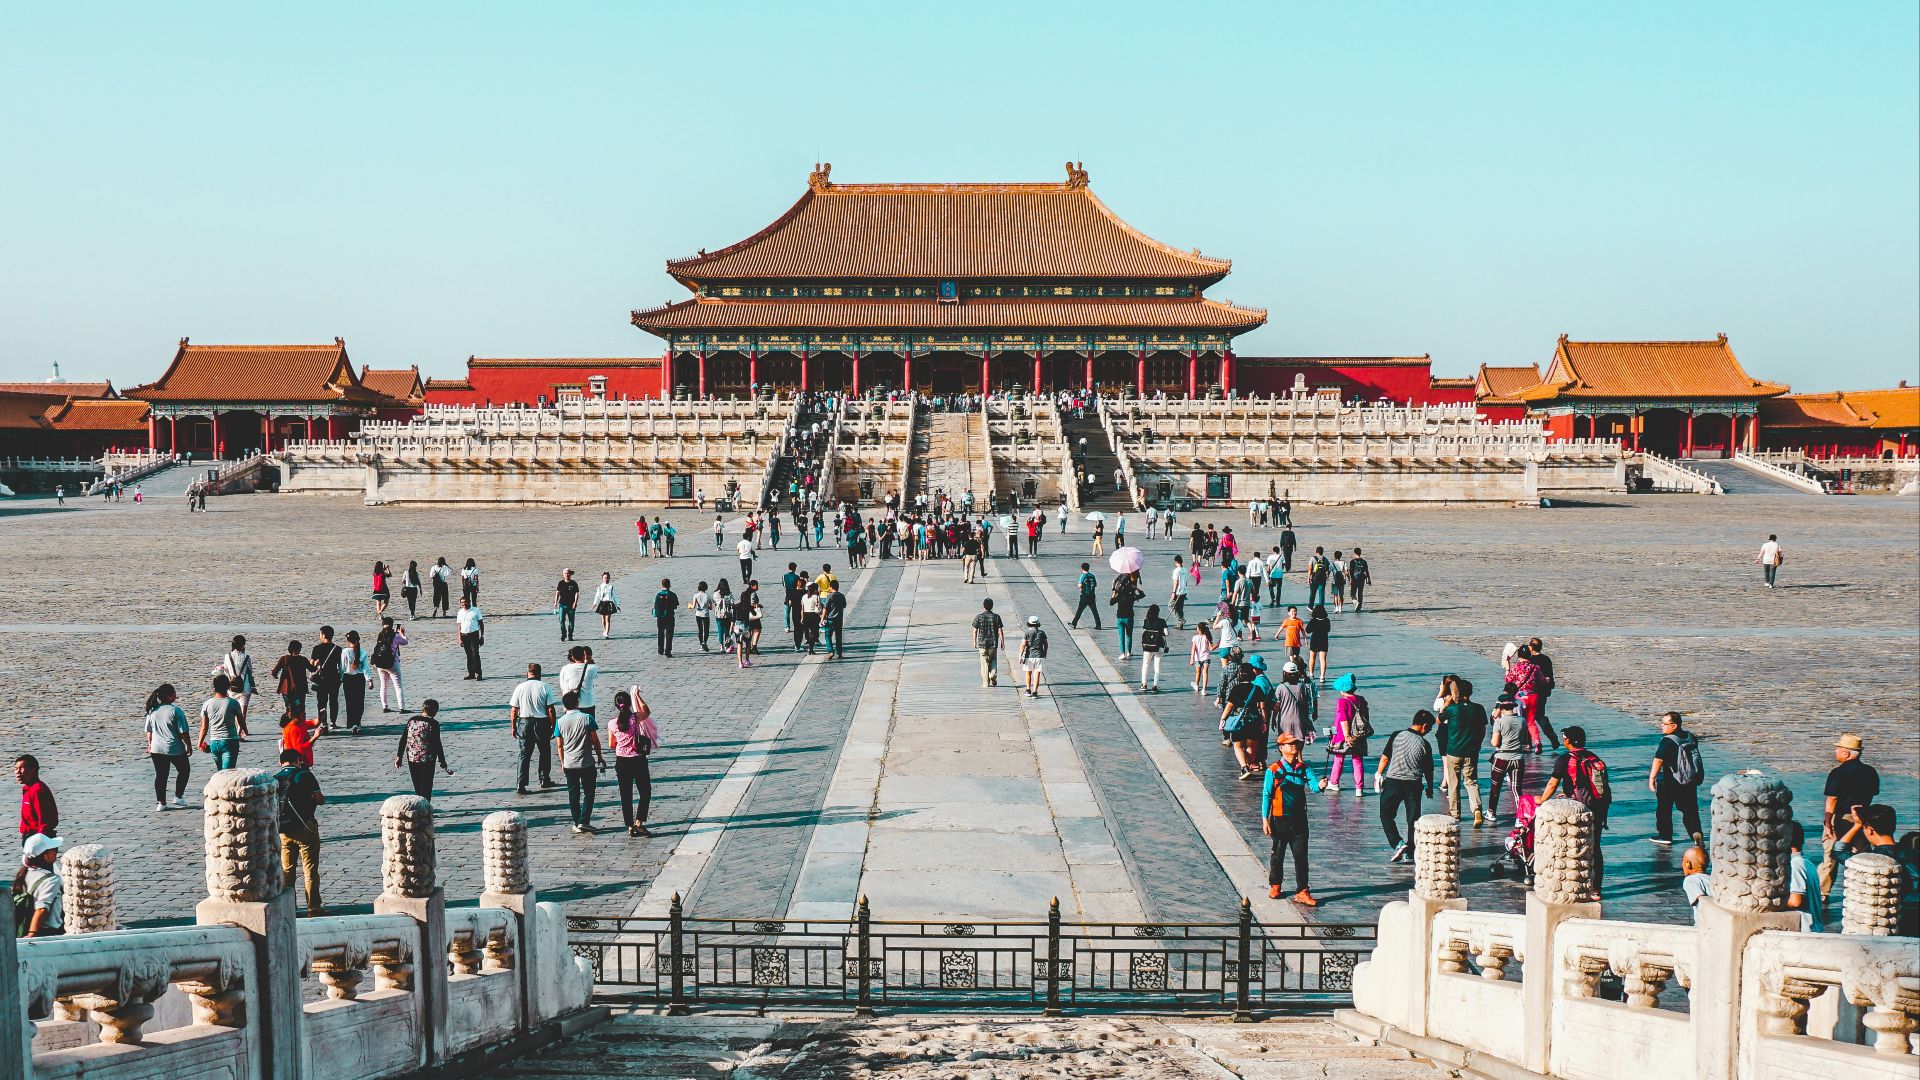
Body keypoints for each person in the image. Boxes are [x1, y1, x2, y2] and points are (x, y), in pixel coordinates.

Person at [1539, 726, 1611, 896]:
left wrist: (1542, 800)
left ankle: (1574, 882)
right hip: (1598, 807)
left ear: (1568, 741)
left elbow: (1552, 784)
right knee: (1596, 847)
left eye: (1565, 738)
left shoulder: (1565, 759)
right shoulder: (1594, 757)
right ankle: (1596, 889)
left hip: (1578, 810)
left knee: (1575, 845)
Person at [1831, 804, 1919, 935]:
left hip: (1886, 920)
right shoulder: (1910, 853)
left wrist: (1857, 825)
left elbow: (1838, 851)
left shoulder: (1870, 860)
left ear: (1870, 830)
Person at [1262, 733, 1320, 906]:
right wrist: (1265, 819)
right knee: (1278, 854)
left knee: (1301, 856)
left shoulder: (1304, 768)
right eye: (1290, 744)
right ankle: (1275, 885)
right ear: (1281, 748)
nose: (1294, 746)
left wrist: (1322, 786)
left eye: (1295, 743)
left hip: (1299, 820)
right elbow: (1267, 795)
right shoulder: (1273, 770)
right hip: (1279, 820)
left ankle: (1302, 890)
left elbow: (1315, 787)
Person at [1820, 732, 1878, 900]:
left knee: (1830, 856)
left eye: (1838, 749)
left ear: (1846, 753)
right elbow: (1872, 794)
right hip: (1862, 817)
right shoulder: (1870, 772)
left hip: (1841, 818)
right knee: (1861, 853)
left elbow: (1832, 799)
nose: (1836, 752)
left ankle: (1823, 893)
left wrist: (1828, 822)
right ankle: (1865, 888)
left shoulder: (1838, 773)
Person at [1375, 711, 1436, 864]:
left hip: (1393, 782)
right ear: (1425, 726)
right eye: (1430, 728)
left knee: (1386, 815)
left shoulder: (1397, 735)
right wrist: (1429, 787)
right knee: (1413, 820)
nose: (1429, 731)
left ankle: (1398, 843)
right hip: (1414, 785)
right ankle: (1410, 852)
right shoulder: (1425, 745)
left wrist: (1379, 773)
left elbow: (1385, 757)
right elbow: (1429, 770)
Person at [1648, 711, 1706, 846]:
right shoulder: (1690, 737)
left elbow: (1658, 760)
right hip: (1689, 780)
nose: (1661, 726)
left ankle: (1665, 835)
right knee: (1690, 810)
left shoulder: (1668, 741)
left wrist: (1652, 778)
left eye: (1665, 724)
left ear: (1674, 726)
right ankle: (1696, 834)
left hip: (1671, 780)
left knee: (1664, 809)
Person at [1438, 678, 1488, 826]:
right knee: (1471, 782)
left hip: (1454, 750)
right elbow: (1483, 729)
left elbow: (1439, 720)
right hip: (1471, 751)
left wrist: (1447, 703)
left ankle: (1455, 813)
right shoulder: (1478, 708)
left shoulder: (1452, 709)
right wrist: (1477, 744)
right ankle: (1477, 809)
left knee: (1454, 783)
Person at [555, 691, 607, 834]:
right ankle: (584, 820)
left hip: (569, 763)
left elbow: (559, 745)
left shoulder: (559, 722)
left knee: (573, 794)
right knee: (589, 792)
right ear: (577, 703)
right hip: (586, 762)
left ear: (564, 705)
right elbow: (595, 740)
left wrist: (562, 761)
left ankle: (577, 822)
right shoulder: (587, 718)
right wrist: (600, 756)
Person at [611, 688, 658, 837]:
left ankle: (629, 826)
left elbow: (611, 744)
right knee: (645, 792)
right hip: (638, 760)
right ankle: (639, 822)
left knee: (626, 795)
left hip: (622, 761)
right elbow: (647, 711)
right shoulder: (635, 718)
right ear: (629, 704)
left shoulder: (612, 723)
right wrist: (638, 696)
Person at [510, 663, 558, 795]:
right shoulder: (545, 687)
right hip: (541, 723)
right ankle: (544, 778)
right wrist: (553, 725)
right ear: (540, 673)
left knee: (524, 754)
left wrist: (513, 726)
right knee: (544, 751)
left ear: (527, 673)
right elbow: (550, 709)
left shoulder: (520, 687)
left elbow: (514, 710)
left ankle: (521, 783)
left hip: (524, 722)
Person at [144, 684, 193, 810]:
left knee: (161, 775)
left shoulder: (152, 710)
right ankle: (178, 796)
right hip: (174, 748)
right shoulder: (175, 711)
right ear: (169, 696)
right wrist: (188, 745)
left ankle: (161, 802)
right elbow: (183, 731)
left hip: (156, 748)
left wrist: (149, 745)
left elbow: (149, 731)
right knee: (184, 770)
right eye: (174, 693)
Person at [1485, 693, 1529, 823]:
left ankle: (1491, 812)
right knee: (1517, 789)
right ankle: (1521, 817)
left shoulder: (1499, 722)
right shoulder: (1522, 721)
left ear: (1502, 709)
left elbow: (1495, 743)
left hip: (1501, 758)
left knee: (1495, 787)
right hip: (1518, 758)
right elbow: (1525, 740)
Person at [395, 699, 452, 798]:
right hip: (427, 759)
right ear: (434, 710)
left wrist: (399, 756)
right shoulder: (433, 723)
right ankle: (425, 807)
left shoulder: (412, 720)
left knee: (417, 785)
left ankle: (420, 805)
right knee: (426, 785)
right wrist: (442, 761)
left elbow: (403, 739)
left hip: (412, 757)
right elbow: (437, 744)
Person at [1325, 673, 1368, 795]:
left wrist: (1347, 735)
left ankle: (1334, 782)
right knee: (1358, 760)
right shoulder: (1361, 700)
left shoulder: (1342, 701)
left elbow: (1343, 719)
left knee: (1339, 758)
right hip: (1359, 735)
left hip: (1343, 736)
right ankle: (1359, 788)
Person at [16, 833, 64, 936]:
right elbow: (41, 908)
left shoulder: (24, 873)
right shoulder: (52, 880)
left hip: (24, 927)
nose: (56, 851)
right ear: (45, 856)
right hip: (48, 932)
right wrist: (31, 934)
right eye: (53, 849)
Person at [197, 674, 249, 769]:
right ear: (228, 687)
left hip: (214, 742)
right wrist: (245, 731)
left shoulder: (207, 704)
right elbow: (241, 721)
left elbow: (204, 727)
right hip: (230, 741)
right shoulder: (233, 703)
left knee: (220, 772)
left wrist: (199, 743)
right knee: (227, 773)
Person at [1785, 821, 1825, 933]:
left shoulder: (1794, 865)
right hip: (1815, 927)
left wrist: (1774, 901)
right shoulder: (1808, 863)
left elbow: (1795, 901)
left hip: (1805, 928)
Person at [15, 756, 58, 840]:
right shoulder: (27, 788)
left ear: (33, 770)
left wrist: (38, 843)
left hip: (38, 839)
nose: (17, 772)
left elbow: (44, 821)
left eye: (21, 768)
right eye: (16, 768)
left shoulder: (37, 790)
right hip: (29, 837)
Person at [309, 625, 342, 731]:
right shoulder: (338, 649)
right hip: (334, 678)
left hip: (321, 679)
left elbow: (311, 665)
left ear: (323, 635)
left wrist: (316, 664)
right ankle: (333, 722)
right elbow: (340, 666)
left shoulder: (317, 648)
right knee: (333, 701)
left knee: (322, 701)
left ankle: (324, 722)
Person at [372, 618, 407, 713]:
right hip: (393, 664)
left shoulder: (380, 635)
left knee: (383, 686)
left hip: (380, 664)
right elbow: (405, 642)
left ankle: (385, 707)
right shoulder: (395, 636)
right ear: (392, 625)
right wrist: (402, 634)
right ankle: (402, 708)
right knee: (398, 686)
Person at [338, 629, 370, 733]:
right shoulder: (363, 652)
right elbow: (366, 668)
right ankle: (357, 722)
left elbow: (342, 667)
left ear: (348, 640)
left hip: (348, 678)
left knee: (350, 702)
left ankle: (351, 723)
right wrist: (369, 679)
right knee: (359, 701)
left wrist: (340, 678)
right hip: (359, 678)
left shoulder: (345, 651)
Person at [218, 635, 256, 721]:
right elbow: (249, 672)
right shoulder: (247, 657)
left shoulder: (227, 656)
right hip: (245, 687)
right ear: (243, 645)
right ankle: (241, 730)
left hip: (232, 687)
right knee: (243, 711)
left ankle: (237, 728)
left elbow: (226, 670)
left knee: (233, 710)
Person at [271, 640, 309, 719]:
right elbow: (312, 669)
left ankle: (290, 726)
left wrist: (276, 676)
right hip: (301, 688)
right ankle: (301, 725)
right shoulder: (303, 659)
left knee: (289, 708)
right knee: (301, 708)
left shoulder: (284, 659)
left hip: (287, 688)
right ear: (298, 649)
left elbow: (274, 672)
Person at [972, 597, 1005, 688]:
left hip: (982, 643)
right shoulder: (996, 617)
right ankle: (992, 675)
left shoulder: (978, 617)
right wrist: (1002, 641)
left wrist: (974, 642)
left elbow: (975, 630)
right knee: (993, 659)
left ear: (983, 606)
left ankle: (985, 682)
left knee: (984, 662)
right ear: (992, 606)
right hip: (993, 643)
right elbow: (1000, 630)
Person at [557, 645, 597, 718]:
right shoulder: (593, 668)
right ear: (583, 656)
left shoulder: (565, 669)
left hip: (571, 704)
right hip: (588, 703)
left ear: (572, 657)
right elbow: (592, 663)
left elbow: (562, 688)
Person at [1111, 572, 1142, 660]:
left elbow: (1111, 603)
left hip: (1120, 617)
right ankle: (1129, 652)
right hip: (1129, 617)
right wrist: (1136, 588)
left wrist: (1113, 592)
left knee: (1121, 636)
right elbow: (1142, 595)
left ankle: (1122, 653)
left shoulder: (1119, 595)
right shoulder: (1131, 596)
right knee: (1129, 635)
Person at [1138, 603, 1168, 691]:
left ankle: (1144, 684)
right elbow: (1166, 633)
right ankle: (1155, 685)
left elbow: (1144, 632)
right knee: (1157, 666)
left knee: (1145, 665)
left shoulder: (1146, 621)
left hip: (1147, 646)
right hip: (1158, 646)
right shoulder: (1162, 621)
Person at [455, 596, 486, 680]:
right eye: (462, 602)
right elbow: (459, 626)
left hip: (474, 635)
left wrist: (482, 636)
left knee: (475, 653)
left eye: (465, 602)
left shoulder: (476, 610)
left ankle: (478, 673)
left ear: (469, 602)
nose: (464, 604)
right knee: (469, 655)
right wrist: (460, 639)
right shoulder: (460, 612)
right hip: (464, 635)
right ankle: (471, 673)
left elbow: (481, 623)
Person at [1019, 615, 1049, 697]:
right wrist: (1045, 652)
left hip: (1029, 656)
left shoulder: (1027, 633)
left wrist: (1020, 655)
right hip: (1039, 656)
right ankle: (1035, 692)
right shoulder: (1042, 633)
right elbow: (1046, 644)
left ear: (1029, 623)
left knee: (1028, 673)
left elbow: (1023, 645)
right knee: (1037, 674)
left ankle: (1028, 690)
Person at [1681, 846, 1711, 924]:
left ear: (1688, 864)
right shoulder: (1712, 878)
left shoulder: (1691, 880)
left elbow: (1702, 901)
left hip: (1704, 926)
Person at [1070, 563, 1102, 629]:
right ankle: (1098, 625)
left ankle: (1074, 623)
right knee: (1094, 611)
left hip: (1084, 596)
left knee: (1079, 610)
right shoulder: (1092, 576)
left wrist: (1079, 586)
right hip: (1092, 595)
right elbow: (1095, 585)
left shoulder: (1083, 576)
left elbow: (1080, 585)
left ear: (1082, 568)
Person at [1305, 604, 1331, 683]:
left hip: (1314, 640)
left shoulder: (1313, 621)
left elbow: (1308, 630)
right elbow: (1328, 630)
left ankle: (1311, 673)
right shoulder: (1327, 620)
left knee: (1312, 658)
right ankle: (1322, 676)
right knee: (1323, 659)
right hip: (1324, 640)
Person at [652, 578, 678, 656]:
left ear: (662, 585)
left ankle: (660, 649)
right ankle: (668, 651)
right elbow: (675, 605)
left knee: (660, 633)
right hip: (669, 616)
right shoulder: (672, 594)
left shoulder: (658, 595)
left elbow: (656, 605)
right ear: (669, 585)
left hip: (660, 617)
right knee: (669, 634)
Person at [823, 582, 848, 659]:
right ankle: (839, 653)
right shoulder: (841, 595)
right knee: (838, 637)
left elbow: (825, 608)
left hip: (830, 619)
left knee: (827, 635)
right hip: (839, 619)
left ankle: (831, 651)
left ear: (831, 587)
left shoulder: (829, 596)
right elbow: (844, 605)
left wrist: (822, 618)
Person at [1188, 621, 1213, 694]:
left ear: (1199, 629)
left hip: (1197, 658)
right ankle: (1204, 689)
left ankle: (1196, 685)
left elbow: (1193, 649)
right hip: (1206, 657)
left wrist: (1191, 659)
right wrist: (1218, 644)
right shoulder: (1207, 637)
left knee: (1198, 672)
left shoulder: (1195, 638)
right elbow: (1211, 648)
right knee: (1205, 673)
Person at [556, 569, 581, 642]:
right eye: (565, 573)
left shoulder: (573, 583)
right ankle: (563, 634)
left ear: (570, 574)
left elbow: (577, 593)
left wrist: (575, 602)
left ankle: (570, 634)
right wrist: (555, 602)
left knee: (571, 621)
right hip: (562, 604)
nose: (567, 575)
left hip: (571, 605)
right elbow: (557, 593)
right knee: (561, 620)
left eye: (568, 573)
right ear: (563, 574)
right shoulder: (561, 583)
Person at [593, 572, 619, 639]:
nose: (606, 579)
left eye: (607, 578)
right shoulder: (600, 587)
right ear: (602, 579)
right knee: (603, 620)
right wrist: (595, 603)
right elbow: (597, 595)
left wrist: (617, 604)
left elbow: (615, 596)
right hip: (602, 603)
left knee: (608, 619)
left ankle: (607, 632)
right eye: (605, 578)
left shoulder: (611, 587)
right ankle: (605, 630)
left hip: (609, 603)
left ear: (609, 578)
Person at [691, 580, 714, 652]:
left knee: (700, 629)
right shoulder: (708, 596)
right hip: (705, 614)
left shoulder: (696, 595)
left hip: (698, 614)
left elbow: (693, 606)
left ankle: (701, 644)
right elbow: (711, 607)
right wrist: (706, 606)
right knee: (706, 630)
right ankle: (705, 642)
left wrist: (689, 606)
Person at [1348, 547, 1371, 611]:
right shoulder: (1364, 561)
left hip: (1354, 579)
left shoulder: (1352, 561)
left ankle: (1355, 602)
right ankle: (1359, 607)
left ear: (1354, 553)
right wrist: (1369, 580)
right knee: (1360, 593)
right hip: (1362, 579)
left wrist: (1350, 579)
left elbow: (1350, 571)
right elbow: (1366, 571)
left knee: (1352, 594)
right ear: (1360, 553)